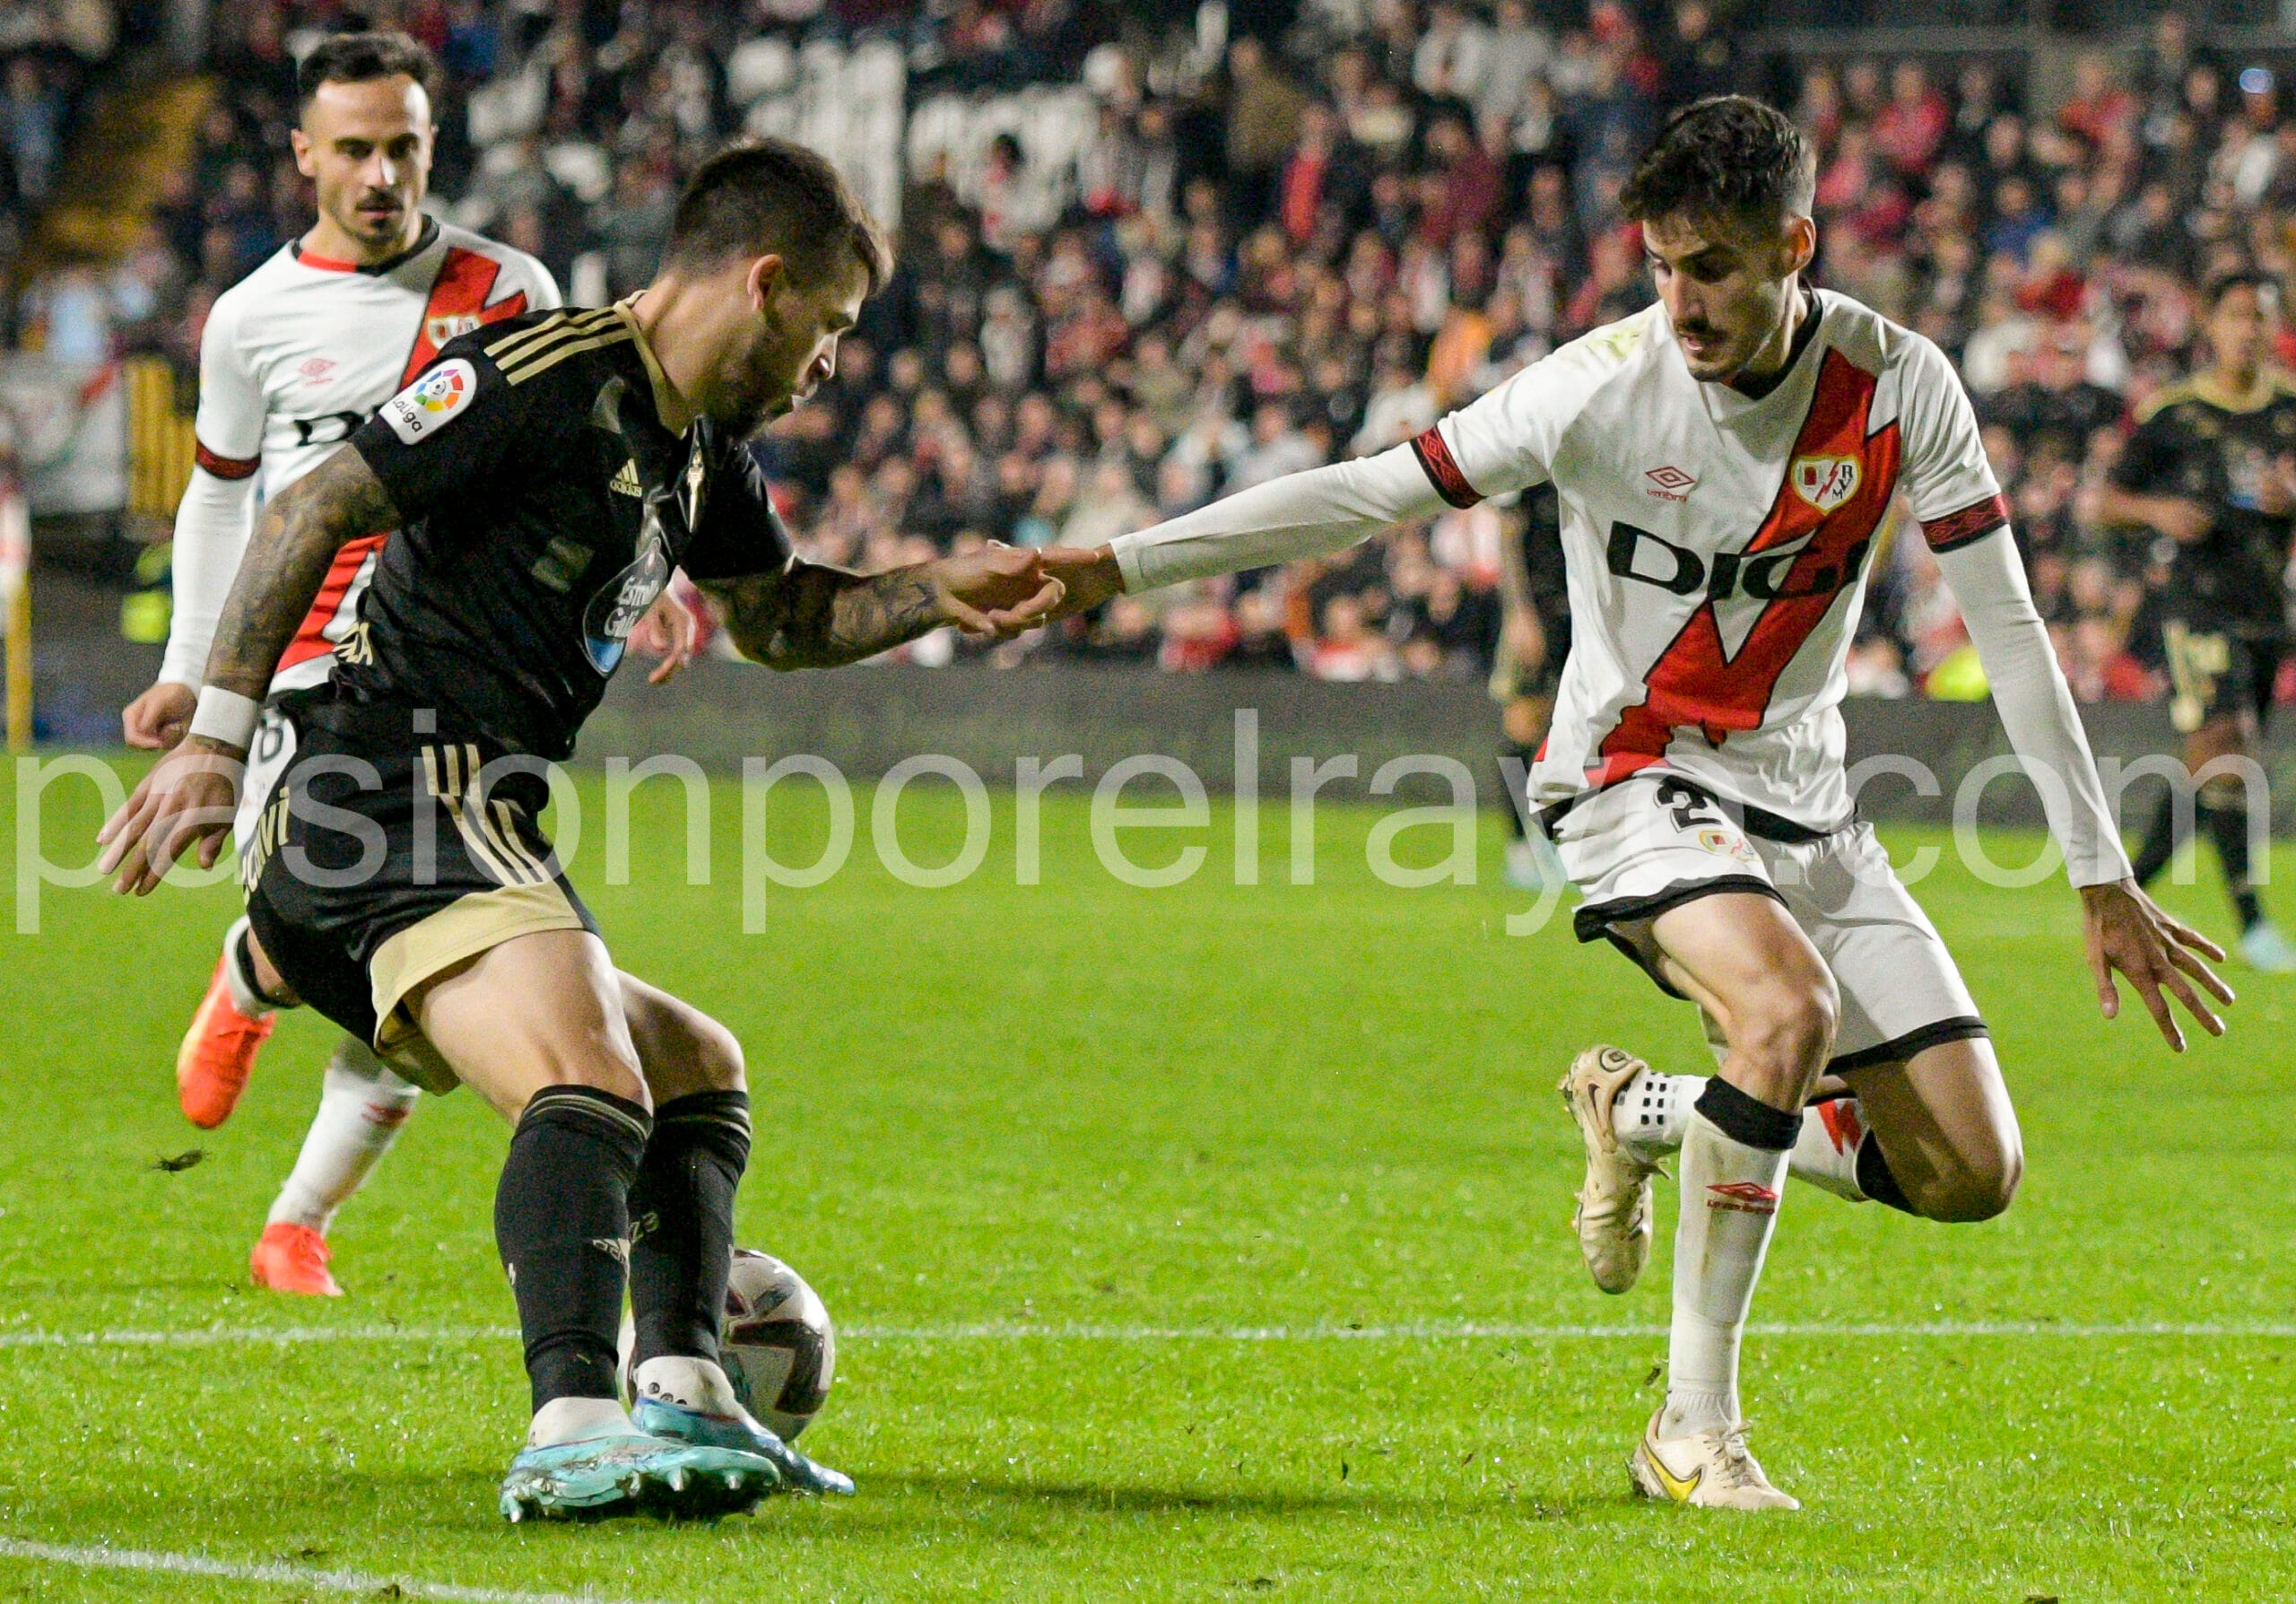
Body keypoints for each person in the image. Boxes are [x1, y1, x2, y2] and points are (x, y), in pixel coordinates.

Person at [1040, 97, 2231, 1511]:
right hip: (1628, 777)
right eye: (1663, 266)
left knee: (1973, 1169)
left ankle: (1647, 1108)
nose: (1683, 302)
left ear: (1794, 246)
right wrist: (1121, 565)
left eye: (1714, 267)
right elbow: (1368, 493)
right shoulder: (1596, 386)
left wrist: (2100, 871)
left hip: (1807, 806)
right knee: (1782, 1011)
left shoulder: (1899, 386)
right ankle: (1690, 1428)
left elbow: (2014, 630)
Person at [99, 137, 1062, 1520]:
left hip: (465, 819)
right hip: (379, 799)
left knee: (694, 1067)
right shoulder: (543, 375)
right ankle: (569, 1427)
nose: (832, 364)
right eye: (834, 326)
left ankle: (688, 1391)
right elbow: (315, 502)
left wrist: (936, 590)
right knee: (592, 1075)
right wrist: (213, 737)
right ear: (766, 284)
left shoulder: (697, 455)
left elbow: (785, 619)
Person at [119, 32, 698, 1300]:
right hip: (309, 670)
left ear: (434, 148)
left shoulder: (509, 288)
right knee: (391, 943)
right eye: (355, 150)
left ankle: (297, 1222)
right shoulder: (252, 318)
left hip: (463, 668)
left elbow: (592, 449)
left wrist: (655, 576)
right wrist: (192, 670)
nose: (381, 175)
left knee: (439, 976)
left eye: (404, 148)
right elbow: (221, 497)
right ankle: (258, 967)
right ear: (305, 154)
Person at [2098, 271, 2296, 972]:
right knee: (2226, 743)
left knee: (2214, 766)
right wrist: (2158, 511)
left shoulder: (2289, 410)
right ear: (2210, 324)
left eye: (2260, 317)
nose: (2248, 330)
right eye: (2235, 315)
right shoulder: (2173, 414)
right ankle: (2252, 922)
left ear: (2276, 327)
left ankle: (2124, 895)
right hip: (2195, 604)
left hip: (2265, 607)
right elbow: (2106, 500)